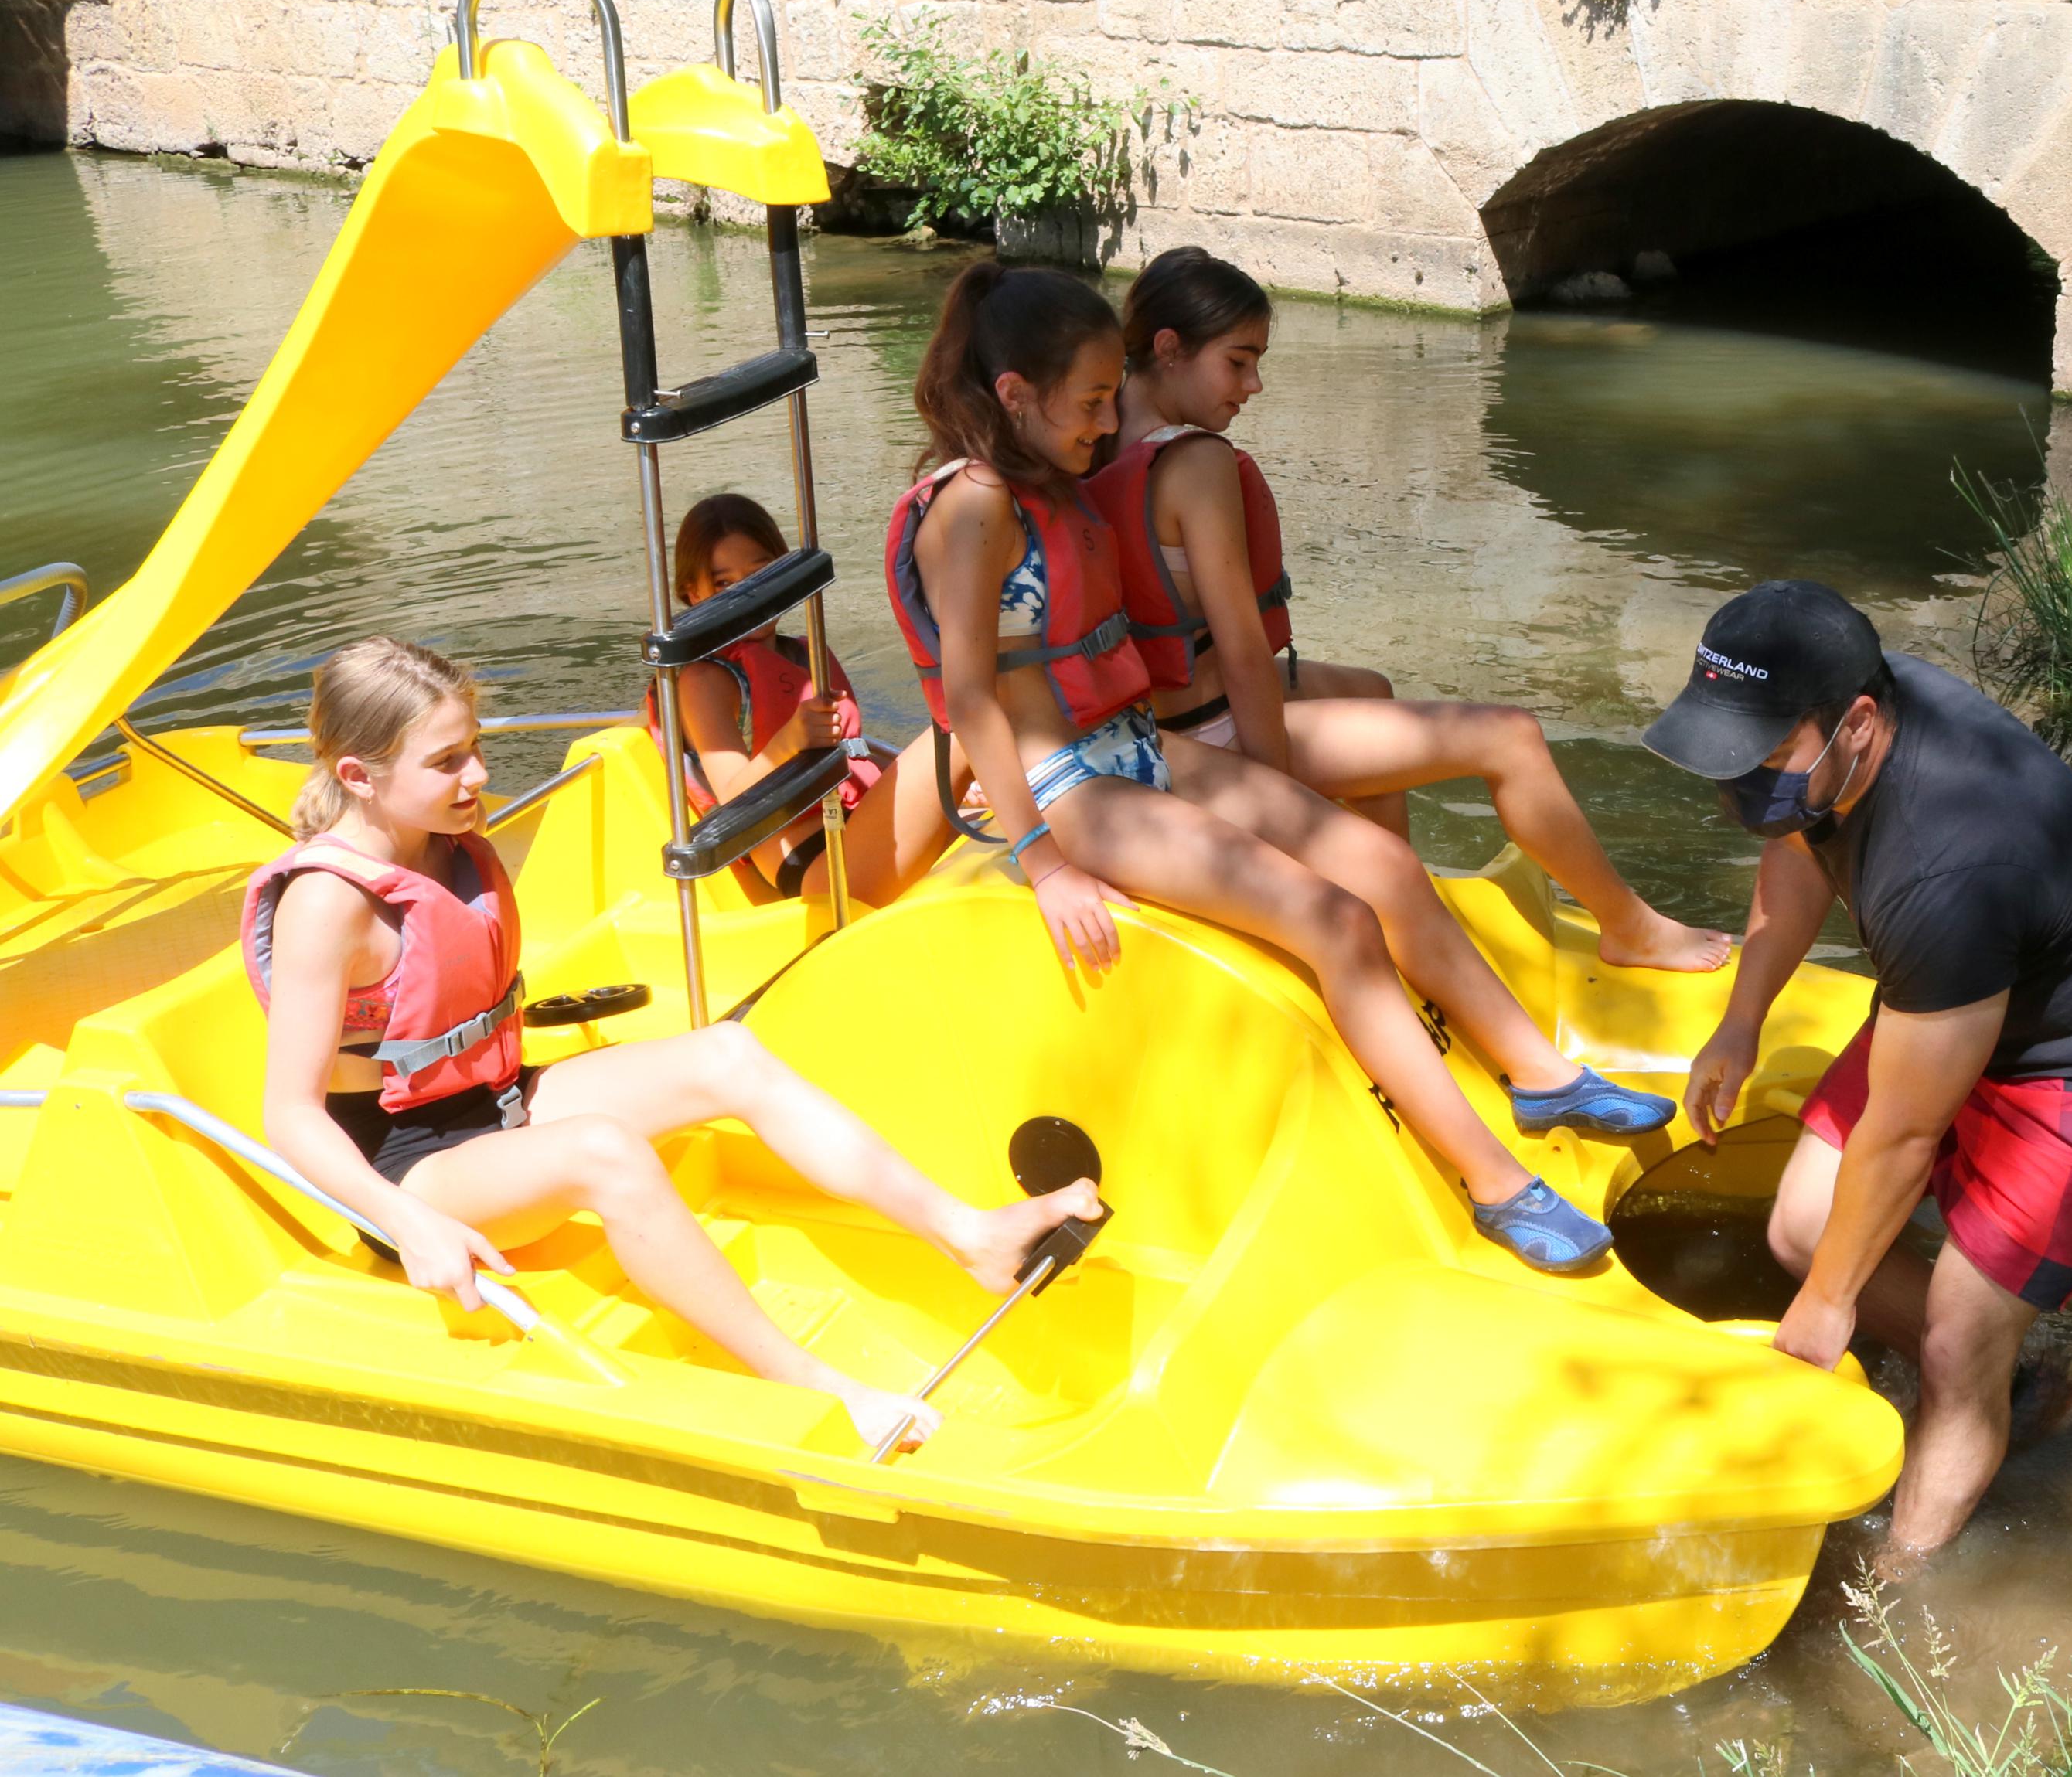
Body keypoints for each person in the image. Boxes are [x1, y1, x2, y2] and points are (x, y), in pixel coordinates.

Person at [884, 261, 1679, 1273]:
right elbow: (966, 698)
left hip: (1132, 743)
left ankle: (1537, 1072)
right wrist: (1043, 861)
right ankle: (1495, 1181)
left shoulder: (1045, 482)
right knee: (1333, 918)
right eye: (1089, 402)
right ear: (1013, 395)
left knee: (1382, 868)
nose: (1103, 421)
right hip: (1067, 788)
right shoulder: (973, 507)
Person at [246, 636, 1101, 1452]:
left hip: (494, 1104)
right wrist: (408, 1223)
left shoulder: (437, 845)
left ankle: (970, 1236)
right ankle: (815, 1385)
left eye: (473, 745)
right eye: (446, 762)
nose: (478, 774)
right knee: (604, 1152)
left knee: (726, 1056)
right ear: (358, 776)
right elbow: (289, 1113)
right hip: (404, 1167)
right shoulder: (327, 902)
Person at [1645, 582, 2072, 1554]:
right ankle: (2014, 1382)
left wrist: (1825, 1310)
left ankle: (1901, 1591)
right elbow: (1797, 844)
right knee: (1803, 1229)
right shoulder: (1843, 733)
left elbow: (1901, 1136)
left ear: (1854, 723)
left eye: (1761, 755)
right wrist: (1740, 1022)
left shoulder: (1949, 863)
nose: (1739, 784)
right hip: (1952, 1002)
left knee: (1951, 1339)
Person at [1087, 247, 1728, 973]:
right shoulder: (1193, 464)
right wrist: (1277, 802)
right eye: (1238, 362)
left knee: (1370, 688)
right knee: (1510, 737)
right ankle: (1626, 927)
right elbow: (1240, 651)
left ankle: (1402, 907)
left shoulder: (1089, 438)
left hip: (1151, 720)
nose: (1255, 384)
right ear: (1169, 349)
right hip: (1211, 731)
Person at [648, 491, 942, 907]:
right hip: (817, 867)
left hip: (856, 830)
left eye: (761, 574)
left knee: (958, 747)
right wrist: (789, 740)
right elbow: (734, 798)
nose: (746, 596)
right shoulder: (706, 680)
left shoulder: (803, 655)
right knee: (965, 723)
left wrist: (944, 785)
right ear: (692, 594)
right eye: (723, 584)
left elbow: (853, 751)